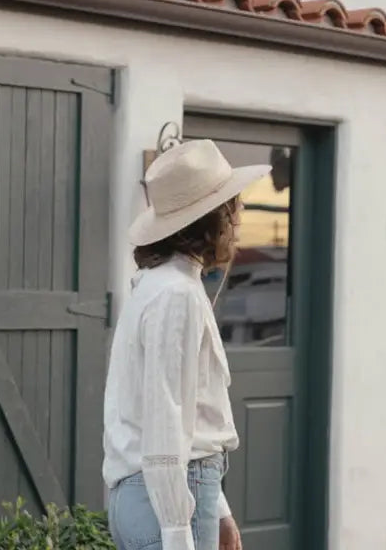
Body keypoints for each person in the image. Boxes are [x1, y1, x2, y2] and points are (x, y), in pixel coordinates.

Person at [103, 139, 271, 550]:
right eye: (235, 207)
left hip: (152, 496)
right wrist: (179, 532)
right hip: (168, 502)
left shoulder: (158, 287)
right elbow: (165, 419)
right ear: (214, 220)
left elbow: (186, 416)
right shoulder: (175, 294)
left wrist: (221, 511)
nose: (241, 216)